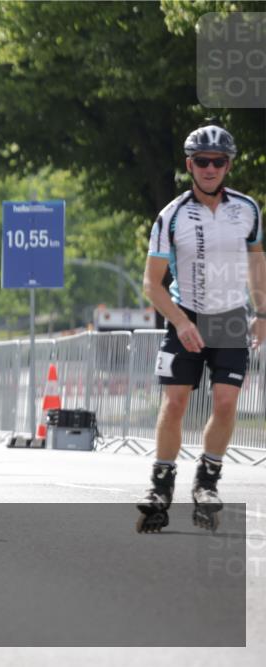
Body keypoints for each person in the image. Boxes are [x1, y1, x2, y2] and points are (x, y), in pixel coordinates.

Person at [137, 122, 265, 533]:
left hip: (230, 318)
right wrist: (179, 321)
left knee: (226, 403)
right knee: (175, 403)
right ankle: (161, 484)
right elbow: (150, 284)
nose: (210, 168)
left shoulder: (247, 209)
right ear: (189, 165)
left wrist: (262, 313)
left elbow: (257, 265)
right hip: (186, 314)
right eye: (202, 161)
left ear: (229, 165)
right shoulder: (170, 215)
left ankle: (207, 482)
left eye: (219, 161)